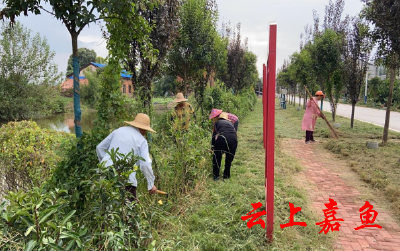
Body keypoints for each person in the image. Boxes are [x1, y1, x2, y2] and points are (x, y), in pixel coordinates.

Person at [96, 113, 157, 201]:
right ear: (143, 129)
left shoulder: (119, 131)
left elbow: (99, 148)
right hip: (126, 179)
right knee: (129, 209)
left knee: (107, 207)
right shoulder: (142, 140)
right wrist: (150, 184)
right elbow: (145, 164)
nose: (145, 133)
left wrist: (106, 164)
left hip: (106, 174)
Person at [211, 112, 238, 181]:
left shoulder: (217, 123)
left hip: (222, 137)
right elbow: (234, 132)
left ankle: (216, 176)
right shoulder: (231, 124)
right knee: (229, 158)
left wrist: (213, 147)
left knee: (217, 157)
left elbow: (214, 136)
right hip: (233, 139)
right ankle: (226, 175)